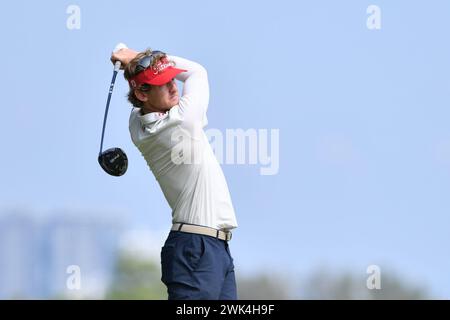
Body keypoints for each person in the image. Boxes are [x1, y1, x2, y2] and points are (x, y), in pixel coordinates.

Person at [111, 47, 238, 300]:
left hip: (211, 248)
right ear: (141, 93)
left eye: (171, 79)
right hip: (196, 249)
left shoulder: (136, 125)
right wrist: (134, 56)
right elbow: (197, 72)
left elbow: (141, 106)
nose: (172, 87)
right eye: (162, 83)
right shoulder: (183, 120)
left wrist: (138, 67)